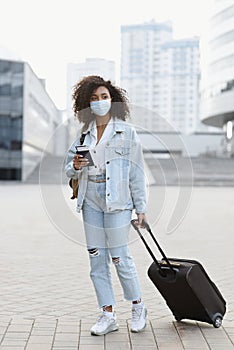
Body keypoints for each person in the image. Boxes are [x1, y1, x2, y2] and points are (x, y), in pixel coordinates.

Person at [65, 75, 148, 336]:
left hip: (118, 201)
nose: (99, 102)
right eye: (93, 98)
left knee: (119, 257)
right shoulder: (84, 136)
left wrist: (141, 207)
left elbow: (137, 173)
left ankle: (138, 307)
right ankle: (107, 314)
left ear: (112, 101)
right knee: (97, 260)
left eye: (104, 97)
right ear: (86, 104)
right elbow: (70, 168)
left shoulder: (127, 132)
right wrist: (75, 167)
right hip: (91, 199)